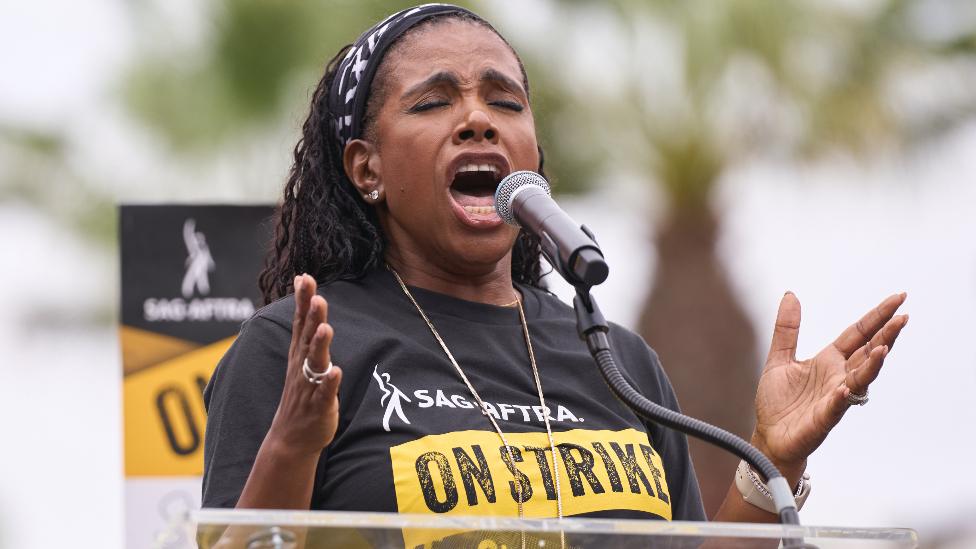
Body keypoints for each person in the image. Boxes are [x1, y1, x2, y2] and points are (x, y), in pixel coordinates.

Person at [202, 1, 907, 538]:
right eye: (434, 100)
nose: (479, 120)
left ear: (532, 156)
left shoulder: (618, 360)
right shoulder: (299, 350)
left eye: (505, 101)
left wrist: (769, 462)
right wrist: (292, 443)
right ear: (367, 168)